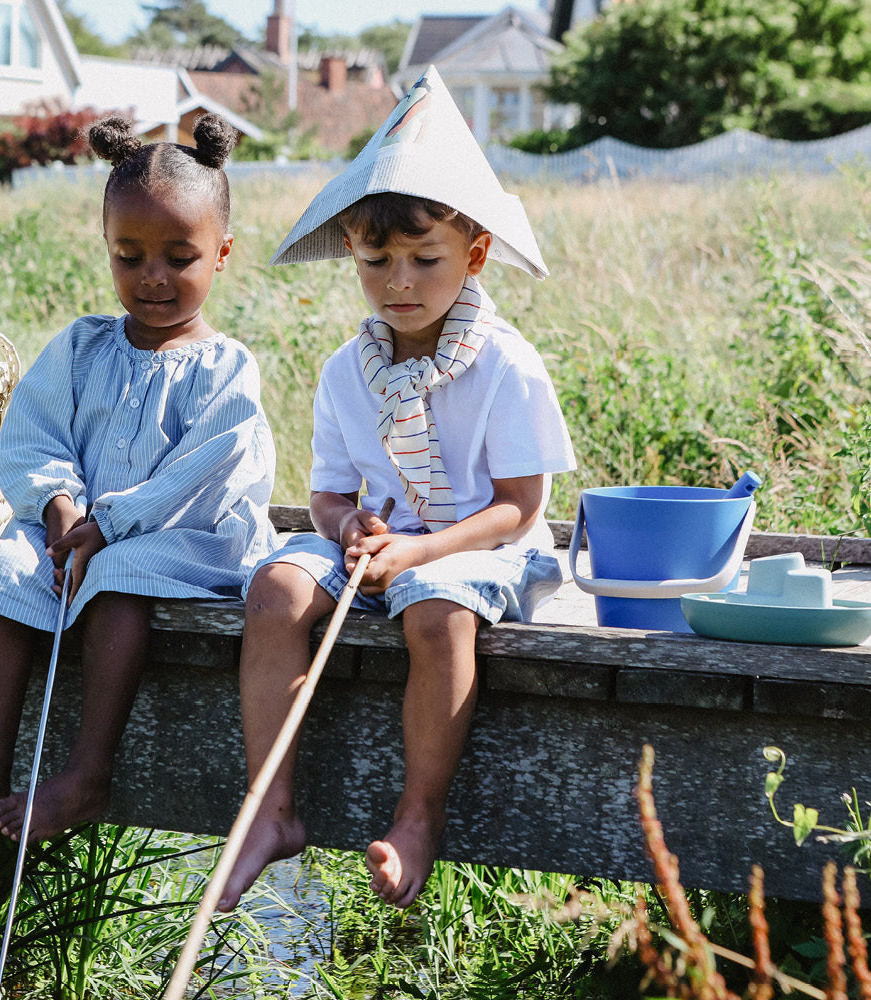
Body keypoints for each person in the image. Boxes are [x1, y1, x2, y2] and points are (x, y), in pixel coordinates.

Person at [218, 66, 576, 912]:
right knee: (274, 589)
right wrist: (347, 529)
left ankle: (419, 814)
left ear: (475, 254)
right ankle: (268, 812)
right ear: (352, 250)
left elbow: (521, 508)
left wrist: (418, 553)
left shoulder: (506, 364)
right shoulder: (348, 370)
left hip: (483, 546)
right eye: (377, 260)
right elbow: (330, 496)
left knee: (436, 609)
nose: (399, 282)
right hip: (382, 547)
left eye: (425, 259)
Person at [0, 113, 278, 844]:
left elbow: (199, 470)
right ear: (107, 247)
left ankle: (88, 773)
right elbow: (33, 434)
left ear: (222, 253)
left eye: (180, 257)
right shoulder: (81, 346)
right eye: (129, 255)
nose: (153, 277)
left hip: (187, 540)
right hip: (76, 533)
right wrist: (58, 507)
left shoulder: (227, 368)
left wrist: (108, 524)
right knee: (3, 562)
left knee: (119, 573)